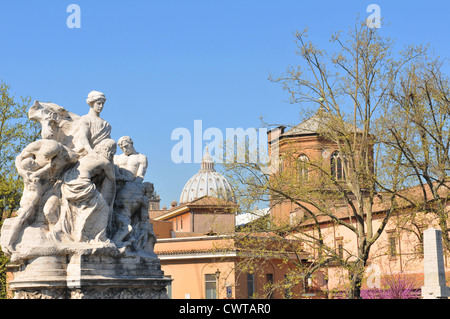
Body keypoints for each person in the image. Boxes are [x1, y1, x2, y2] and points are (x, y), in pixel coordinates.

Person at [58, 138, 117, 243]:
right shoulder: (105, 161)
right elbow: (112, 178)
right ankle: (98, 237)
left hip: (69, 181)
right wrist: (112, 161)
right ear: (110, 151)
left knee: (83, 208)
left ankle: (80, 233)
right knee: (103, 208)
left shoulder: (89, 155)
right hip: (83, 185)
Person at [73, 91, 112, 158]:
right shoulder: (85, 119)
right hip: (88, 153)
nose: (101, 106)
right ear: (91, 103)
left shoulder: (106, 124)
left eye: (103, 104)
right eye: (98, 103)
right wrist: (90, 151)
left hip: (103, 155)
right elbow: (83, 137)